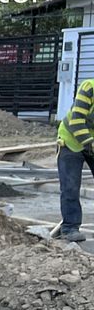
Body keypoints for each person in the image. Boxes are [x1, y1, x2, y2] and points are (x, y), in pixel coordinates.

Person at [55, 75, 93, 242]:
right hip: (70, 140)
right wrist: (90, 144)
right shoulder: (89, 87)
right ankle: (70, 228)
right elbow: (77, 121)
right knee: (70, 185)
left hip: (91, 140)